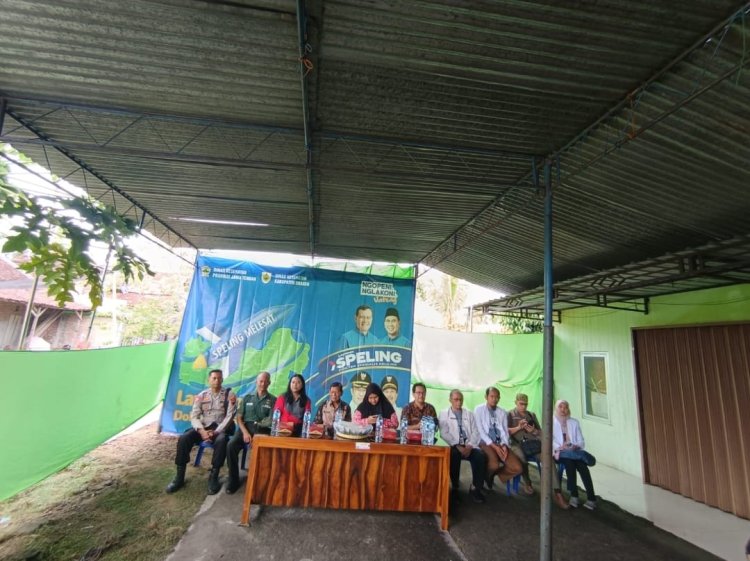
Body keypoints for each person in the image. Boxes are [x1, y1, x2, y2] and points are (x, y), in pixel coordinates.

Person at [166, 369, 236, 495]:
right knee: (184, 438)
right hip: (203, 428)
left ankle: (214, 477)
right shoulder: (202, 395)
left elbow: (230, 416)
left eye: (219, 378)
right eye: (214, 378)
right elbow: (194, 416)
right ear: (209, 380)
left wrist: (216, 432)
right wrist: (202, 431)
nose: (217, 380)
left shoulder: (229, 395)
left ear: (222, 379)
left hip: (219, 429)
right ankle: (179, 477)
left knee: (222, 441)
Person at [225, 371, 275, 494]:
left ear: (269, 383)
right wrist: (245, 433)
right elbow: (239, 418)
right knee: (231, 445)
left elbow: (271, 420)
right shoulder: (247, 398)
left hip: (263, 430)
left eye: (265, 381)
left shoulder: (273, 400)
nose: (263, 384)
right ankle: (233, 480)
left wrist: (257, 436)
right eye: (260, 381)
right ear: (256, 382)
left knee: (265, 452)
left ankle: (261, 482)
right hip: (245, 428)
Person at [438, 389, 487, 503]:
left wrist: (469, 446)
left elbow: (476, 431)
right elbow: (444, 433)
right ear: (450, 400)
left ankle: (475, 488)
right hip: (455, 445)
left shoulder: (469, 413)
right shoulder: (444, 413)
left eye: (461, 399)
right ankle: (455, 487)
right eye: (456, 400)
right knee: (453, 455)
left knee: (480, 456)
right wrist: (457, 445)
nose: (459, 402)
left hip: (469, 445)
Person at [474, 387, 523, 490]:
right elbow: (481, 431)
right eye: (492, 396)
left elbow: (505, 431)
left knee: (518, 468)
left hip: (500, 443)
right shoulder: (478, 409)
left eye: (497, 397)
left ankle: (490, 475)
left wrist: (504, 445)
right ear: (486, 397)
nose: (494, 399)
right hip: (485, 442)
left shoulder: (502, 412)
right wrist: (494, 447)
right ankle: (488, 476)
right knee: (494, 465)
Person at [553, 399, 597, 510]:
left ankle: (591, 498)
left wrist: (575, 445)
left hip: (573, 452)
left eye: (565, 407)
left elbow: (581, 441)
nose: (563, 409)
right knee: (569, 463)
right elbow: (550, 441)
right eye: (560, 407)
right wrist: (561, 447)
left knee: (582, 466)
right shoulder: (551, 422)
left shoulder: (574, 422)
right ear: (556, 408)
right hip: (560, 453)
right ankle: (574, 495)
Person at [507, 392, 541, 495]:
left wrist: (534, 431)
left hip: (531, 444)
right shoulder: (510, 414)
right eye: (521, 404)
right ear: (515, 402)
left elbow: (541, 432)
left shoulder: (531, 415)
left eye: (525, 404)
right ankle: (528, 483)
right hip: (516, 444)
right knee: (522, 459)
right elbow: (505, 431)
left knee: (547, 457)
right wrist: (518, 427)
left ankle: (551, 486)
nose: (523, 406)